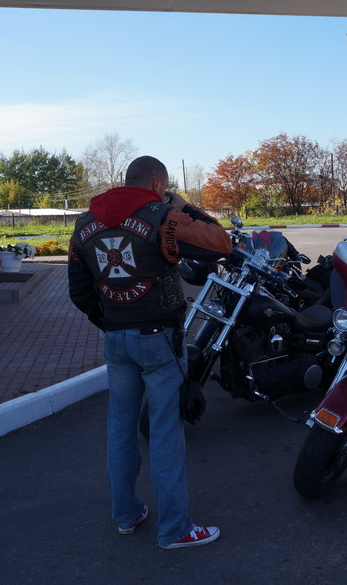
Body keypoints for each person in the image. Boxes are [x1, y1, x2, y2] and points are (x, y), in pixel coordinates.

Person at [68, 155, 231, 549]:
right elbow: (221, 243)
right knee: (165, 433)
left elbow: (79, 290)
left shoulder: (84, 224)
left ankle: (126, 515)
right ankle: (175, 529)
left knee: (120, 428)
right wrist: (186, 207)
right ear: (158, 184)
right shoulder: (163, 217)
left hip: (116, 339)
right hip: (160, 338)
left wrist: (110, 321)